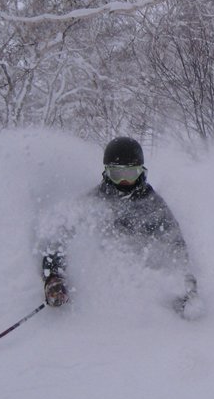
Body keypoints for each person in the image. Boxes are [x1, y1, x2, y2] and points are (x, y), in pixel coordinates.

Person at [41, 136, 202, 319]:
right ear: (107, 172)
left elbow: (176, 247)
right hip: (101, 305)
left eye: (131, 173)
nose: (124, 181)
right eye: (117, 174)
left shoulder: (153, 206)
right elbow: (60, 235)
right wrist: (53, 277)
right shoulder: (93, 202)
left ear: (141, 171)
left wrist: (186, 287)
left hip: (143, 293)